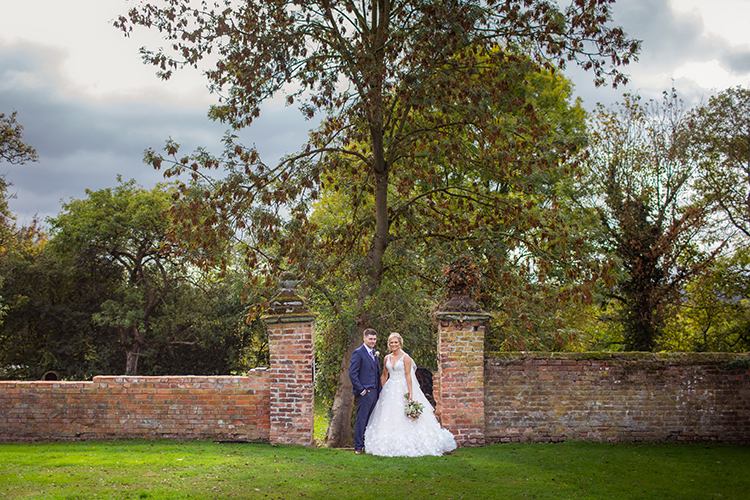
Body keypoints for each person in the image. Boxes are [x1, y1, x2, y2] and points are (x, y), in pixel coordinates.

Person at [364, 332, 457, 457]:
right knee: (388, 413)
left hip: (403, 387)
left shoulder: (405, 357)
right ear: (389, 344)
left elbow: (408, 375)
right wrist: (379, 390)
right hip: (390, 388)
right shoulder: (386, 358)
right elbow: (385, 375)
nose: (393, 344)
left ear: (400, 343)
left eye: (396, 342)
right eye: (391, 342)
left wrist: (410, 393)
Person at [349, 328, 381, 454]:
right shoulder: (358, 353)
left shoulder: (374, 354)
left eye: (374, 339)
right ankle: (358, 446)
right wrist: (361, 390)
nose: (373, 341)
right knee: (362, 419)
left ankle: (368, 444)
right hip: (365, 392)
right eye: (370, 339)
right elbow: (353, 374)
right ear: (364, 339)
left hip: (375, 392)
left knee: (372, 419)